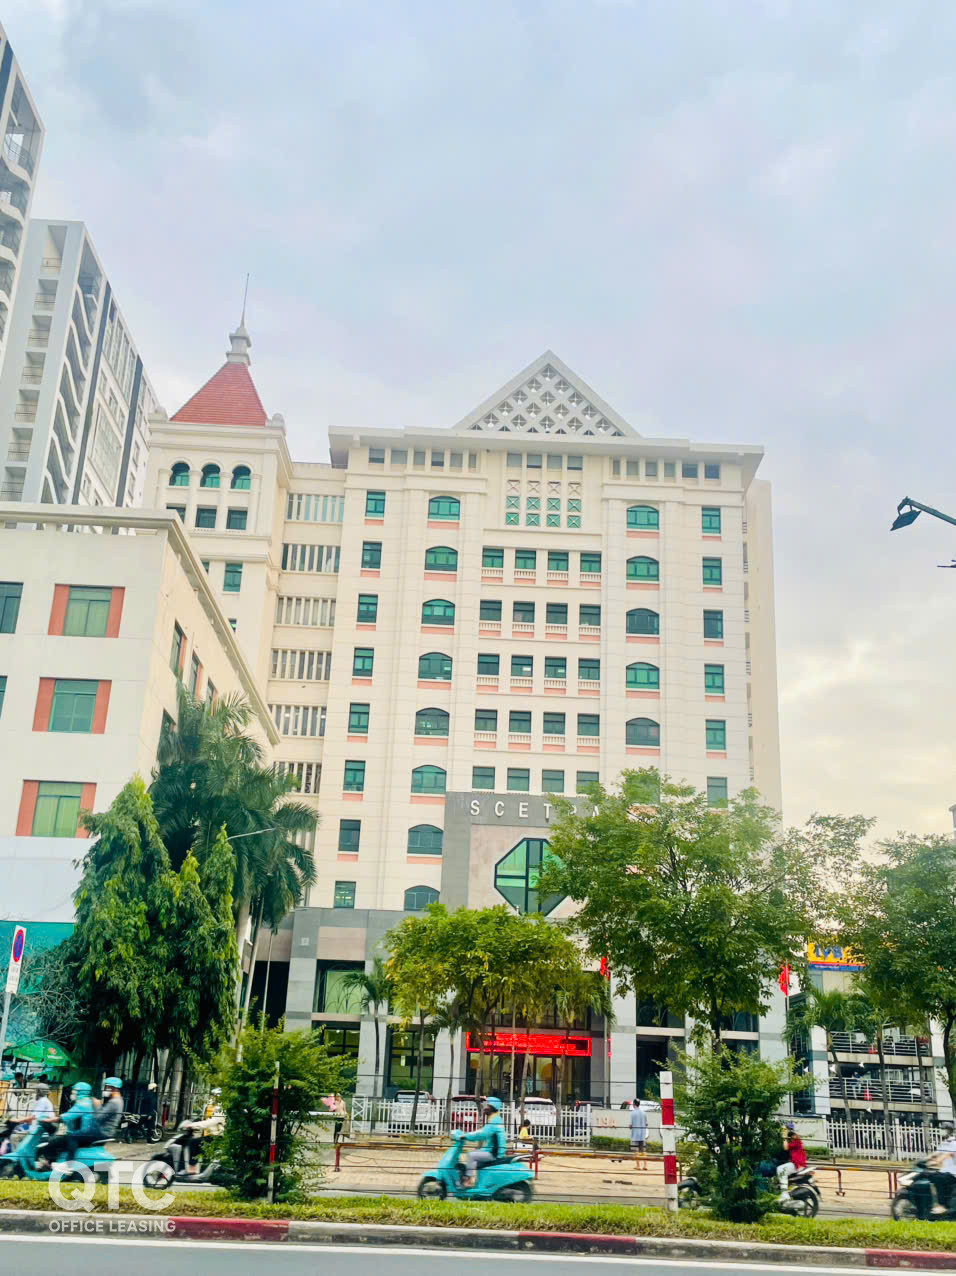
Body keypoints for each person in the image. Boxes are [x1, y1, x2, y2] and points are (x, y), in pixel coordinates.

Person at [39, 1081, 98, 1167]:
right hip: (84, 1134)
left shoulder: (82, 1104)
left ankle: (49, 1164)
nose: (72, 1093)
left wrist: (47, 1120)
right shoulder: (87, 1101)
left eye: (74, 1091)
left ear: (80, 1092)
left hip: (79, 1135)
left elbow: (64, 1117)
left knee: (51, 1142)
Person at [461, 1097, 506, 1186]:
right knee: (475, 1153)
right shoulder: (495, 1118)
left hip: (494, 1153)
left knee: (471, 1155)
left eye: (487, 1105)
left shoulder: (494, 1121)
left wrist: (466, 1136)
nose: (484, 1107)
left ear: (493, 1107)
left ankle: (468, 1180)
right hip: (492, 1150)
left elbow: (482, 1133)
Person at [929, 1121, 956, 1215]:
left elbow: (946, 1155)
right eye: (941, 1129)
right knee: (928, 1175)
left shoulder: (953, 1143)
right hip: (945, 1171)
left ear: (949, 1130)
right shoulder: (944, 1143)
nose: (942, 1131)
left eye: (943, 1129)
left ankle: (942, 1205)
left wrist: (935, 1162)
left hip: (953, 1173)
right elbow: (935, 1153)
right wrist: (924, 1160)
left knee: (938, 1179)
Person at [776, 1122, 808, 1198]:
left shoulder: (795, 1140)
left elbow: (785, 1147)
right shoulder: (793, 1140)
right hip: (796, 1163)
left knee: (780, 1170)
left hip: (797, 1165)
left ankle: (784, 1194)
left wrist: (784, 1137)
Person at [95, 1078, 124, 1142]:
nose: (105, 1089)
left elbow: (98, 1118)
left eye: (106, 1087)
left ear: (113, 1088)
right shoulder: (120, 1100)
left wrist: (97, 1105)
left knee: (75, 1136)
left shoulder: (114, 1102)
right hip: (109, 1131)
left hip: (103, 1131)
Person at [630, 1098, 649, 1171]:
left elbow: (631, 1125)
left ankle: (638, 1166)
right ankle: (645, 1165)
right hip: (642, 1134)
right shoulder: (644, 1113)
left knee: (636, 1151)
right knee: (643, 1150)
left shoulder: (632, 1113)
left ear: (634, 1104)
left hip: (635, 1134)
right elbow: (646, 1124)